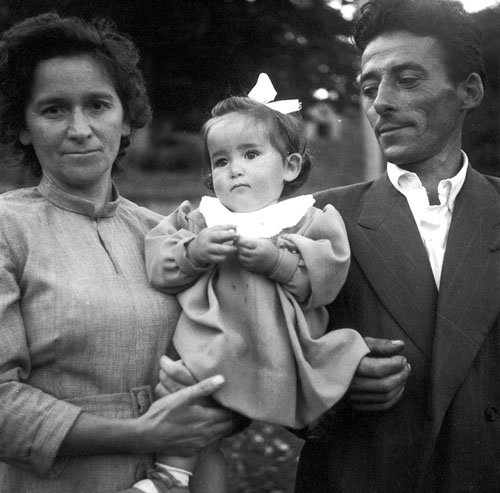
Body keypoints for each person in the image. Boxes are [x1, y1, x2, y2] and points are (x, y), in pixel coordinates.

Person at [0, 13, 234, 493]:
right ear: (23, 127)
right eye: (53, 110)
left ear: (126, 119)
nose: (80, 128)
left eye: (98, 105)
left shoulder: (166, 235)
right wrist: (142, 433)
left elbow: (229, 352)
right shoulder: (8, 229)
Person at [293, 0, 500, 491]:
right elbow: (266, 363)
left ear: (469, 90)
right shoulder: (318, 220)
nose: (380, 102)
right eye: (369, 88)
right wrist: (331, 382)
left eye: (407, 80)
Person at [138, 85, 370, 492]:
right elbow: (159, 266)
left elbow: (325, 280)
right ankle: (171, 478)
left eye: (250, 155)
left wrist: (278, 261)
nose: (235, 170)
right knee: (193, 414)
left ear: (290, 167)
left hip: (281, 350)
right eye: (221, 161)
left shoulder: (306, 220)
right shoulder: (201, 221)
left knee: (343, 391)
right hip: (215, 344)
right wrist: (195, 251)